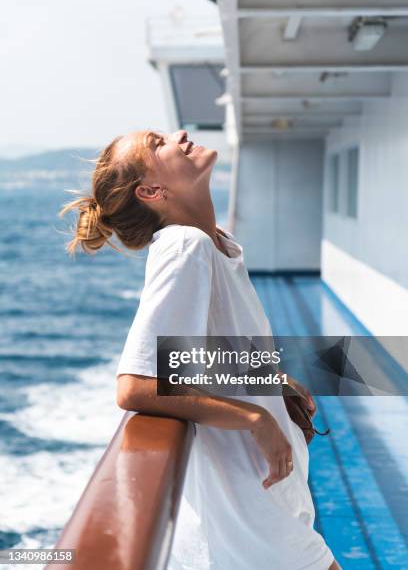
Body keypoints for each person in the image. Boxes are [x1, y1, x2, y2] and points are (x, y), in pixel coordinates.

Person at [60, 129, 341, 570]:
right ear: (152, 191)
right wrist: (255, 417)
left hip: (264, 495)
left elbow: (199, 351)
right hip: (250, 513)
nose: (180, 135)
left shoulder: (214, 243)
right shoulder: (184, 246)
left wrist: (269, 380)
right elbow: (135, 385)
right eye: (158, 143)